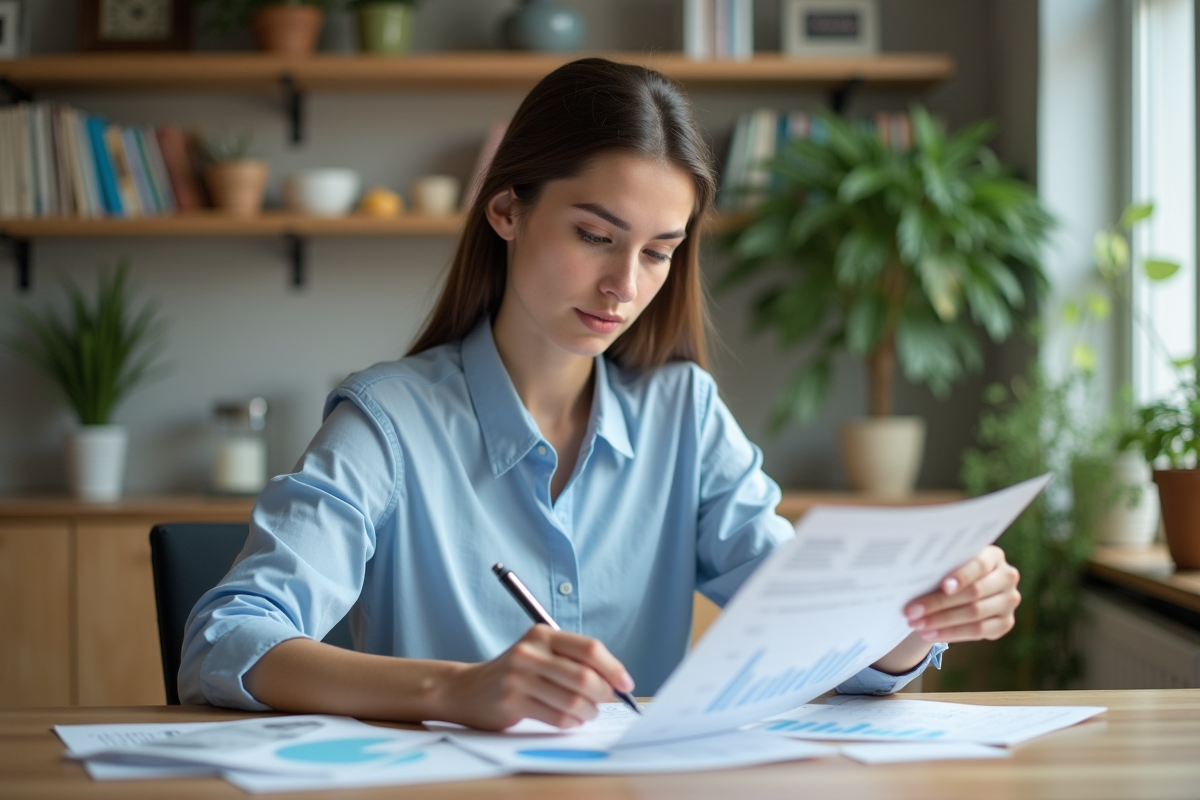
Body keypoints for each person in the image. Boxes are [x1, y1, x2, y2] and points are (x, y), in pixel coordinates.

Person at [180, 58, 1021, 730]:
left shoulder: (683, 414)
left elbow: (809, 632)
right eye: (594, 236)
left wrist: (919, 621)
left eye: (658, 252)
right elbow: (225, 642)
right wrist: (457, 691)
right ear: (506, 210)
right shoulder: (388, 421)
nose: (624, 284)